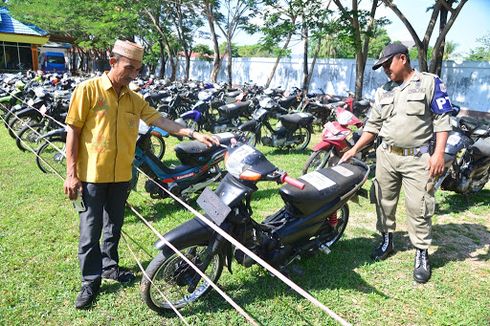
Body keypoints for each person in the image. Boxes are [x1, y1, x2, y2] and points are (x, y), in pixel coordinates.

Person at [63, 40, 219, 309]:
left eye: (137, 69)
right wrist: (71, 174)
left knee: (114, 226)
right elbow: (73, 131)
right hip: (91, 177)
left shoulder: (135, 99)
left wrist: (193, 133)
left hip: (122, 176)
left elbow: (161, 122)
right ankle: (90, 281)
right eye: (129, 68)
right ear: (113, 62)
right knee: (91, 232)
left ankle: (110, 267)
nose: (134, 74)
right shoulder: (87, 91)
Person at [339, 43, 453, 283]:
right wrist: (355, 149)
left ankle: (421, 252)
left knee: (419, 206)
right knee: (383, 200)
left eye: (387, 65)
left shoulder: (429, 82)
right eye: (381, 67)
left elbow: (442, 121)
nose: (385, 71)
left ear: (402, 59)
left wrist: (439, 154)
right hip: (386, 156)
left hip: (417, 158)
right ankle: (387, 240)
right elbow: (373, 126)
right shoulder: (384, 91)